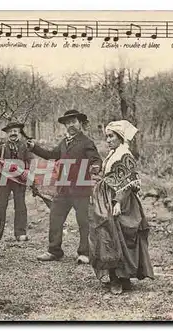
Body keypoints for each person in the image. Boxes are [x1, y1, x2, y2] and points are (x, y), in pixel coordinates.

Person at [27, 109, 102, 264]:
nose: (70, 125)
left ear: (80, 123)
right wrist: (34, 146)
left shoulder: (87, 142)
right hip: (63, 189)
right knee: (55, 217)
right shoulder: (64, 142)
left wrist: (94, 167)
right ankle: (54, 251)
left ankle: (84, 253)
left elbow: (96, 160)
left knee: (83, 221)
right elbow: (51, 155)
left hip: (81, 189)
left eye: (73, 122)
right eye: (68, 123)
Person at [88, 120, 154, 295]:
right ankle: (114, 277)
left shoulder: (125, 155)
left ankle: (122, 278)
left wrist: (118, 202)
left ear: (120, 137)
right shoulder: (113, 153)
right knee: (107, 236)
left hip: (121, 201)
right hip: (106, 197)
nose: (108, 140)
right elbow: (108, 175)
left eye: (111, 137)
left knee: (122, 237)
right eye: (107, 137)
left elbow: (129, 181)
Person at [0, 122, 34, 241]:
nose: (13, 133)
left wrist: (27, 173)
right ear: (6, 134)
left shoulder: (25, 147)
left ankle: (20, 233)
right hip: (4, 180)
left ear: (19, 133)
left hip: (19, 181)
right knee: (0, 205)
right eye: (10, 131)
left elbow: (31, 162)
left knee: (20, 206)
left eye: (15, 131)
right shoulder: (1, 148)